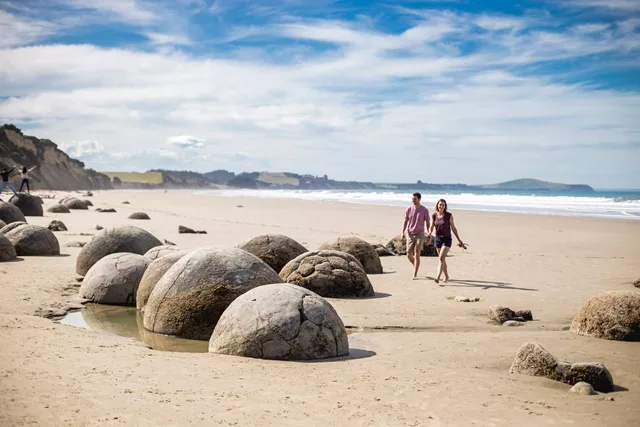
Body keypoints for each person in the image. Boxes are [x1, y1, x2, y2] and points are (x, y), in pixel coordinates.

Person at [428, 198, 466, 283]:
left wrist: (459, 240)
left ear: (445, 206)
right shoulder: (434, 215)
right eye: (440, 204)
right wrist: (429, 233)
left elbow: (453, 228)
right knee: (442, 259)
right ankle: (446, 276)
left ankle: (437, 277)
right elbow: (431, 226)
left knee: (441, 257)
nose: (441, 206)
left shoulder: (449, 215)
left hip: (447, 239)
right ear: (437, 205)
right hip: (437, 239)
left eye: (443, 205)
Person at [401, 192, 431, 279]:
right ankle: (416, 265)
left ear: (419, 199)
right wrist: (403, 232)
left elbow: (428, 222)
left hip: (420, 234)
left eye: (414, 199)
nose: (413, 200)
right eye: (412, 199)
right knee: (409, 255)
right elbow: (405, 221)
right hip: (410, 234)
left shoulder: (424, 210)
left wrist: (429, 232)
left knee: (417, 253)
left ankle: (415, 273)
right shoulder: (409, 209)